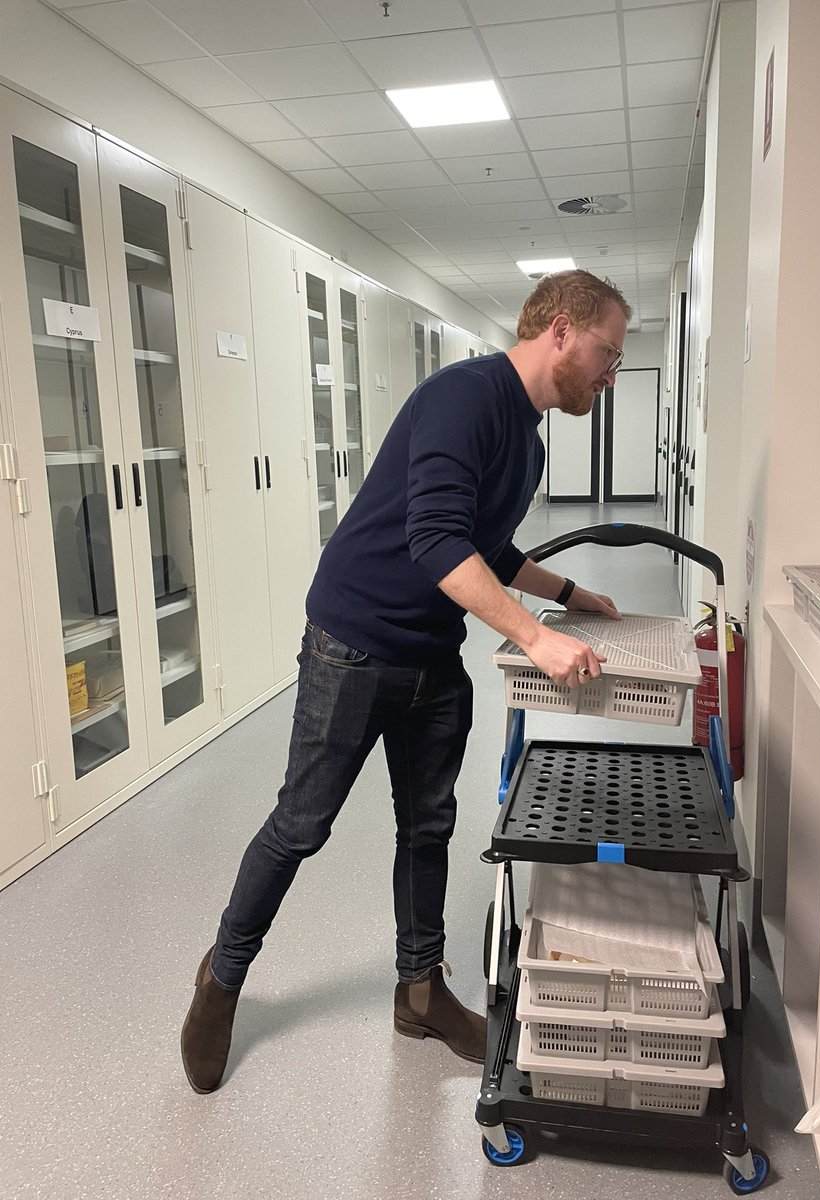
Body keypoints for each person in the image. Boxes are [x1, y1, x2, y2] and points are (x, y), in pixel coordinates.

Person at [181, 269, 632, 1093]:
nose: (610, 372)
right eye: (608, 352)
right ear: (560, 330)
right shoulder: (463, 397)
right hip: (351, 645)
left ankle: (420, 991)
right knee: (301, 825)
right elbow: (432, 543)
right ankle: (223, 979)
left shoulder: (526, 440)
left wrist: (570, 595)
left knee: (428, 828)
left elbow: (480, 545)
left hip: (430, 656)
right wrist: (535, 638)